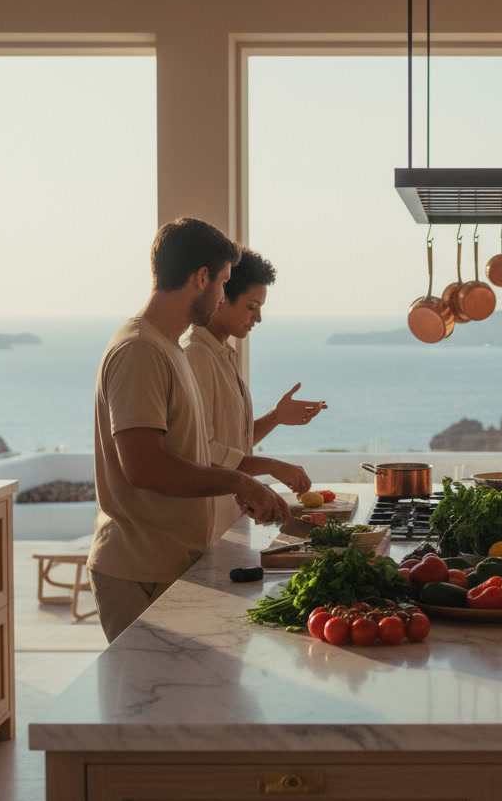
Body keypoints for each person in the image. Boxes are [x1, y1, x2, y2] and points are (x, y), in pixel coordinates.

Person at [88, 217, 290, 643]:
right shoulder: (139, 350)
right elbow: (144, 467)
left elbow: (189, 453)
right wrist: (239, 481)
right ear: (201, 278)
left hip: (170, 564)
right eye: (223, 282)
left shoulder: (168, 348)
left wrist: (242, 484)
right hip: (140, 571)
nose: (221, 296)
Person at [182, 247, 326, 538]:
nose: (258, 318)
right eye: (252, 306)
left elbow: (232, 445)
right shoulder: (196, 354)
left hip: (229, 521)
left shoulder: (222, 353)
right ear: (222, 297)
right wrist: (272, 466)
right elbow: (204, 451)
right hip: (205, 527)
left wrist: (275, 417)